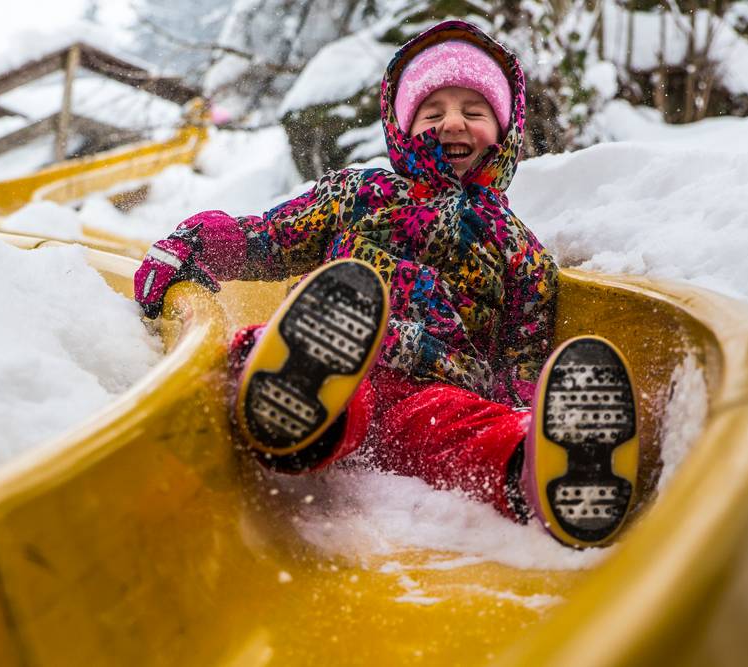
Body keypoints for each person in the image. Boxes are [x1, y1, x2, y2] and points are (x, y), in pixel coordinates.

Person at [134, 20, 640, 548]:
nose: (452, 123)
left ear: (505, 130)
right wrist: (193, 246)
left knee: (460, 432)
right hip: (344, 362)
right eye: (432, 112)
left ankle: (544, 460)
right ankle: (288, 394)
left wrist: (529, 408)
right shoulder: (360, 194)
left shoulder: (518, 250)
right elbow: (270, 238)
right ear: (402, 126)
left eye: (474, 112)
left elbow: (521, 356)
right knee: (305, 368)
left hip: (430, 392)